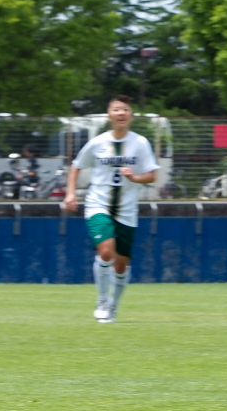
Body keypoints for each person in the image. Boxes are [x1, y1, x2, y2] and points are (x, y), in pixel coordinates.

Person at [63, 95, 158, 323]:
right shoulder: (97, 142)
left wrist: (134, 177)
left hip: (126, 210)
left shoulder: (140, 143)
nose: (121, 113)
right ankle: (102, 300)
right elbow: (76, 167)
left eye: (125, 109)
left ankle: (113, 305)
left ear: (131, 115)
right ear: (109, 115)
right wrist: (70, 193)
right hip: (98, 204)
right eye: (117, 109)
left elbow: (152, 175)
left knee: (121, 264)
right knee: (106, 251)